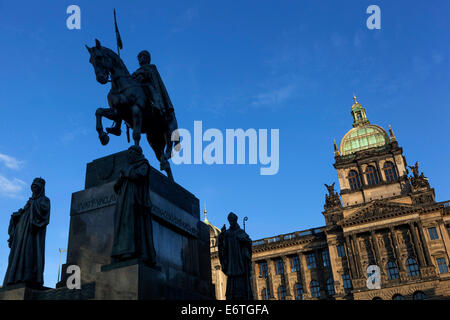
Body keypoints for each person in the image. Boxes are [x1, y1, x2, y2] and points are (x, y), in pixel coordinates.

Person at [110, 145, 157, 267]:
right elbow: (117, 185)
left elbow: (139, 174)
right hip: (124, 200)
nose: (129, 156)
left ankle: (133, 251)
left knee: (133, 224)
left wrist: (126, 173)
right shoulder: (127, 167)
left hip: (135, 200)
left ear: (136, 154)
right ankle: (121, 252)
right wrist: (120, 180)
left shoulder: (143, 164)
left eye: (131, 154)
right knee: (123, 224)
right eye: (128, 154)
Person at [3, 178, 50, 288]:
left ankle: (28, 277)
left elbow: (43, 215)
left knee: (30, 254)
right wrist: (18, 215)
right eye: (33, 186)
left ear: (41, 188)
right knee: (17, 255)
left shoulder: (44, 200)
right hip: (21, 232)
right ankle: (15, 278)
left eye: (37, 186)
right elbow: (25, 212)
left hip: (32, 233)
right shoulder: (29, 202)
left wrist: (32, 207)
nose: (34, 188)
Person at [218, 212, 253, 300]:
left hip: (240, 261)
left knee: (241, 282)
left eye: (232, 221)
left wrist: (245, 241)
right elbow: (222, 247)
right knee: (232, 280)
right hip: (231, 262)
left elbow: (249, 243)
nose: (231, 222)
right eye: (230, 221)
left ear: (236, 220)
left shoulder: (241, 232)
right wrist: (221, 236)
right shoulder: (227, 233)